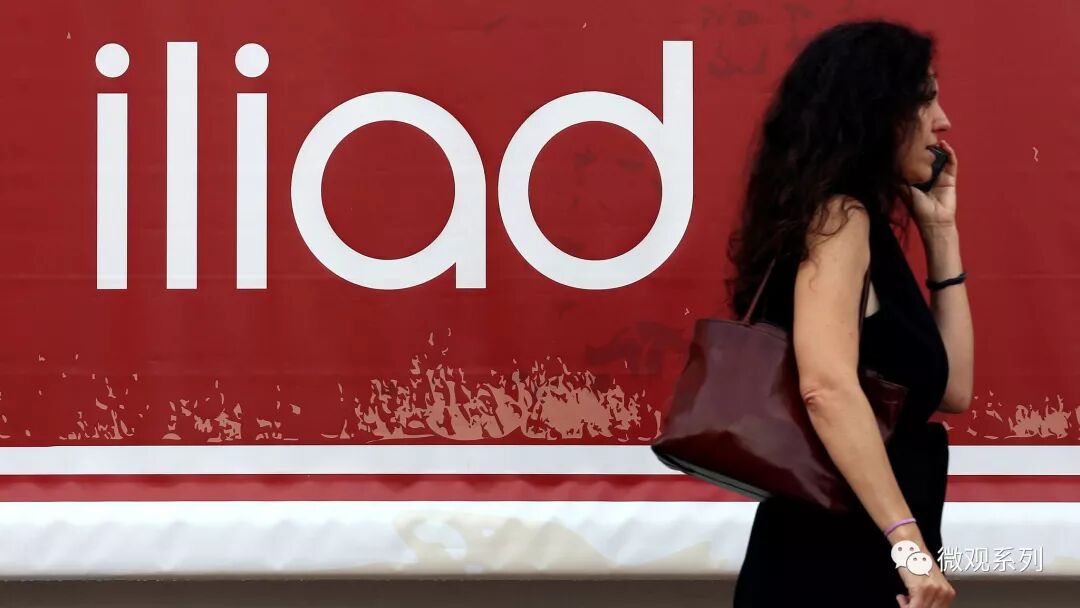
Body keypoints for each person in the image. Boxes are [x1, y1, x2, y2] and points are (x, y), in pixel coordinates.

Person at [726, 20, 974, 608]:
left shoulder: (857, 225)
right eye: (926, 99)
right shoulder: (839, 219)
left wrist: (941, 233)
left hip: (870, 552)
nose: (942, 121)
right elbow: (827, 388)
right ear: (877, 111)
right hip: (830, 562)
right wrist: (909, 548)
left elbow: (955, 391)